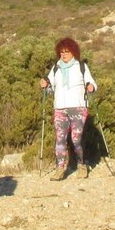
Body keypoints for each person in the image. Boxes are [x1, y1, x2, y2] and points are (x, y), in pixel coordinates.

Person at [39, 37, 98, 180]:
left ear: (73, 52)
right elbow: (50, 89)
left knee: (76, 139)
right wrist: (45, 85)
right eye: (61, 52)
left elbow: (92, 84)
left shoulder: (81, 67)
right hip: (60, 108)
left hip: (78, 107)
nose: (63, 55)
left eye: (66, 52)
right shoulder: (56, 68)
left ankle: (81, 164)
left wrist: (91, 87)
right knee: (60, 139)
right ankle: (60, 169)